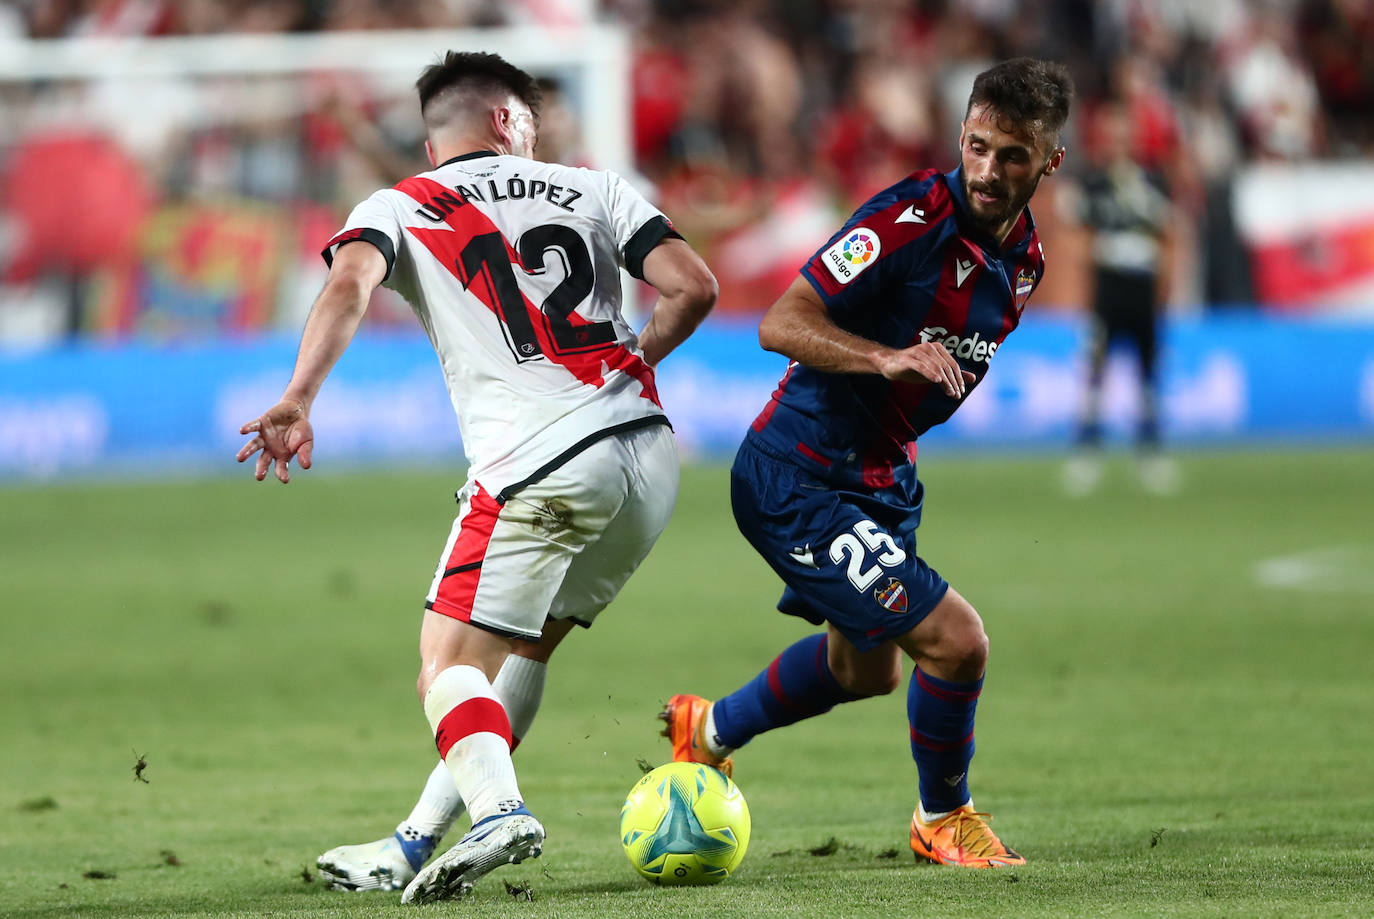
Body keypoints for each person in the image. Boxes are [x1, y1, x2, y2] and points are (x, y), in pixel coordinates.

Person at [235, 51, 717, 903]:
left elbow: (350, 282)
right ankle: (412, 842)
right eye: (530, 118)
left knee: (443, 669)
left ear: (434, 143)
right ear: (507, 121)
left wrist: (298, 395)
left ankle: (499, 812)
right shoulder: (593, 187)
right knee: (519, 650)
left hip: (539, 462)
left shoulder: (401, 204)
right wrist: (631, 363)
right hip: (646, 455)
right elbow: (693, 287)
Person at [658, 57, 1072, 868]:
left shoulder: (1024, 262)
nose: (988, 170)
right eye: (978, 146)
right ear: (962, 133)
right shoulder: (909, 219)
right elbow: (780, 322)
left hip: (880, 477)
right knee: (958, 642)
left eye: (1012, 156)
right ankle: (943, 817)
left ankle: (705, 730)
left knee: (865, 669)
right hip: (798, 473)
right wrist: (885, 358)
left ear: (1049, 162)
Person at [1060, 100, 1178, 496]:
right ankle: (1087, 452)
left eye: (1126, 133)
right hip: (1107, 290)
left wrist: (1165, 289)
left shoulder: (1152, 182)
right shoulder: (1092, 183)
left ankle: (1150, 452)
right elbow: (1076, 239)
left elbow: (1166, 237)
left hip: (1142, 290)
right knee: (1096, 374)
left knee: (1148, 374)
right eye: (1113, 133)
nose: (1120, 141)